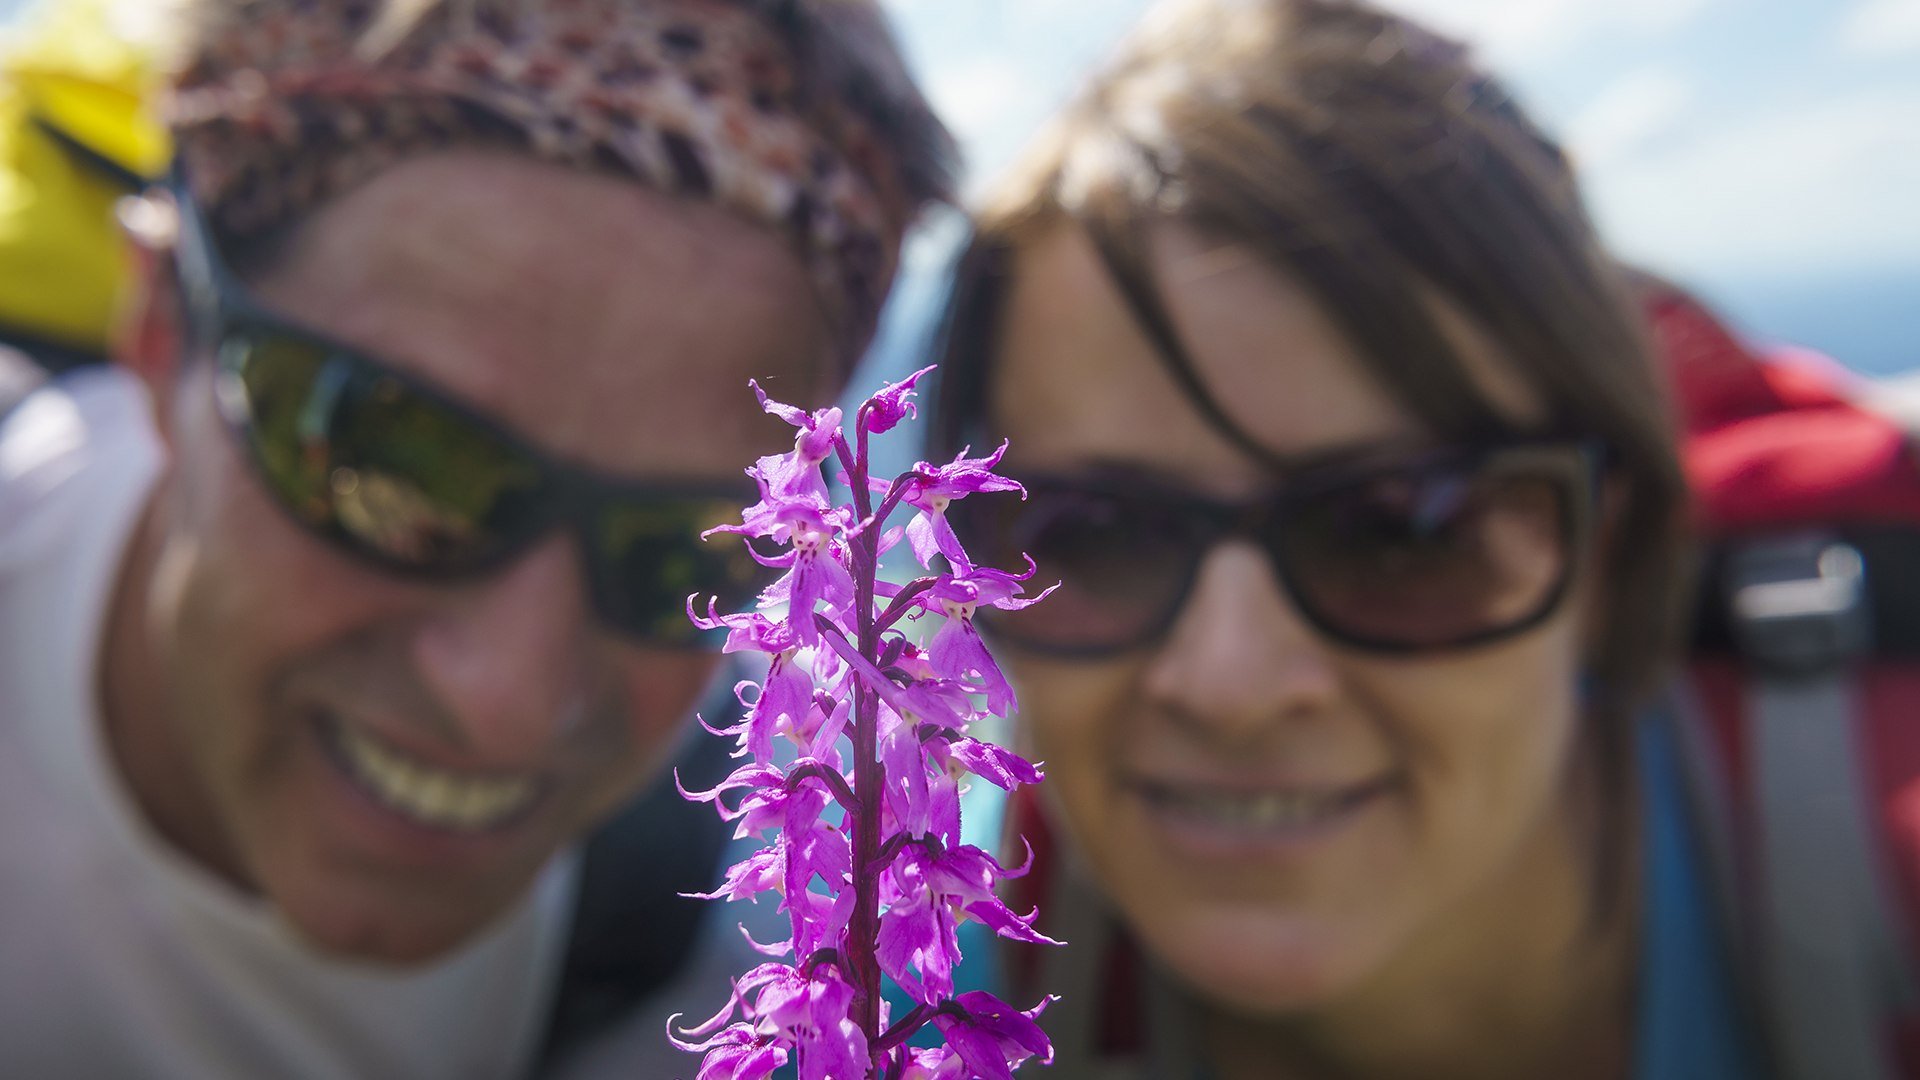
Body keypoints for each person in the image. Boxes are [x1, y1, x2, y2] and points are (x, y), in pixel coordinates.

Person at [0, 0, 952, 1076]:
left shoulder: (696, 952)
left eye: (690, 548)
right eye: (395, 463)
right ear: (164, 335)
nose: (506, 703)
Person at [930, 0, 1764, 1077]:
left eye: (1399, 532)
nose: (1231, 685)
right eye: (1091, 535)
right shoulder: (897, 973)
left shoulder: (1873, 876)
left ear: (1605, 555)